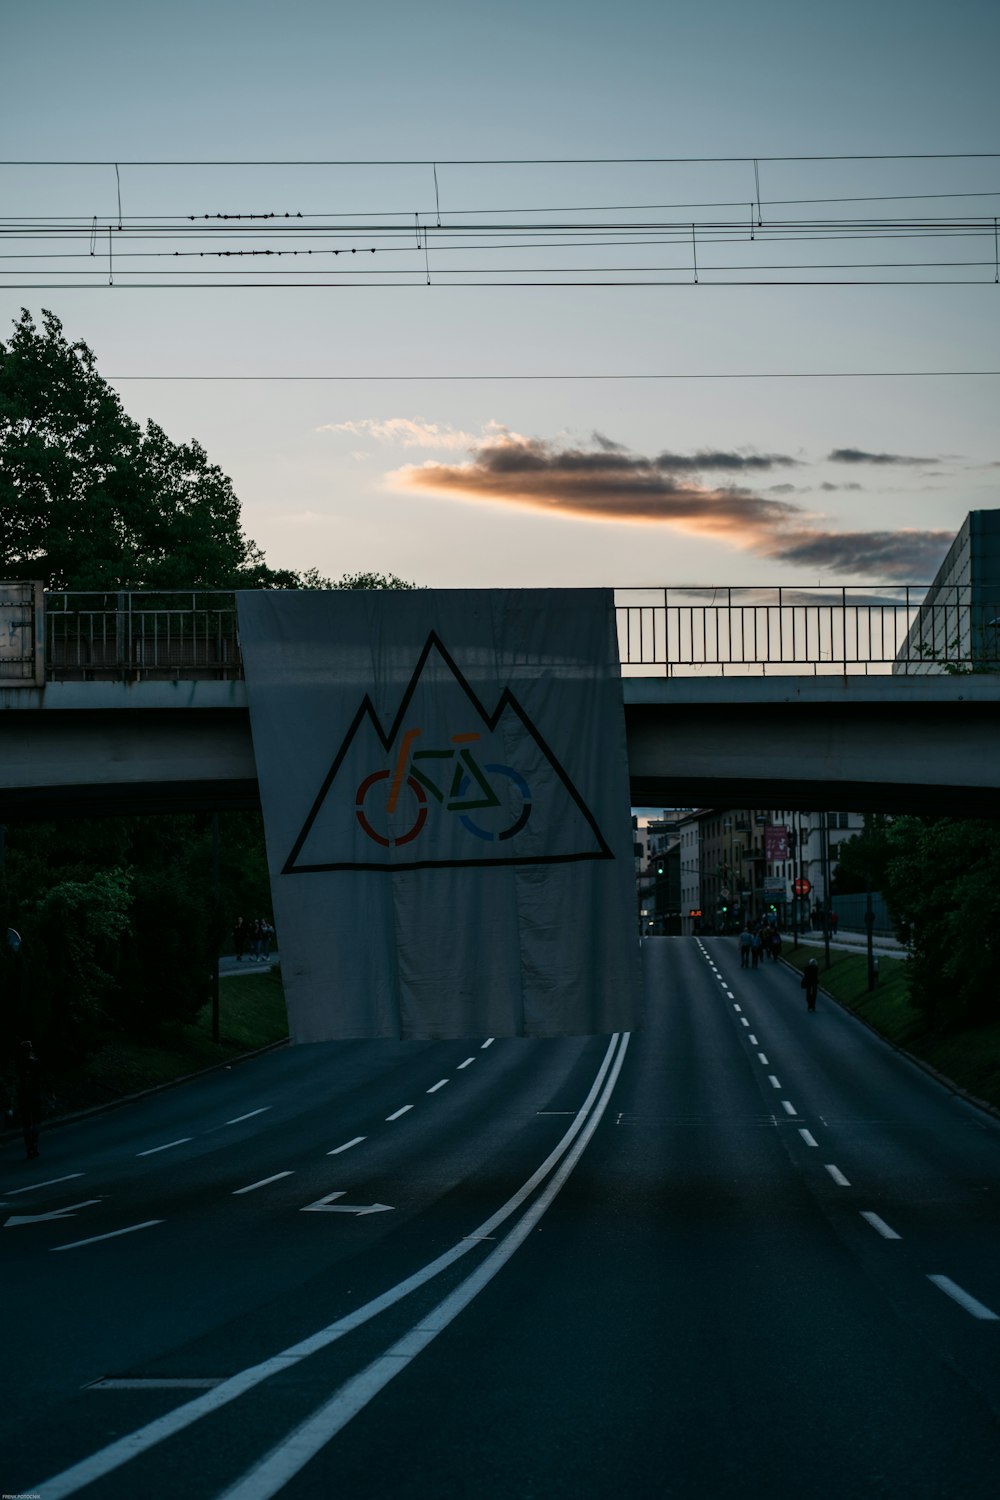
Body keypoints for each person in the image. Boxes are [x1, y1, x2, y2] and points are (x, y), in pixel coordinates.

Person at [16, 1039, 43, 1159]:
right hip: (35, 1095)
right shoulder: (35, 1063)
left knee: (26, 1123)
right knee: (36, 1120)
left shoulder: (20, 1063)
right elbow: (42, 1079)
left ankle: (29, 1147)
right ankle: (35, 1144)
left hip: (24, 1096)